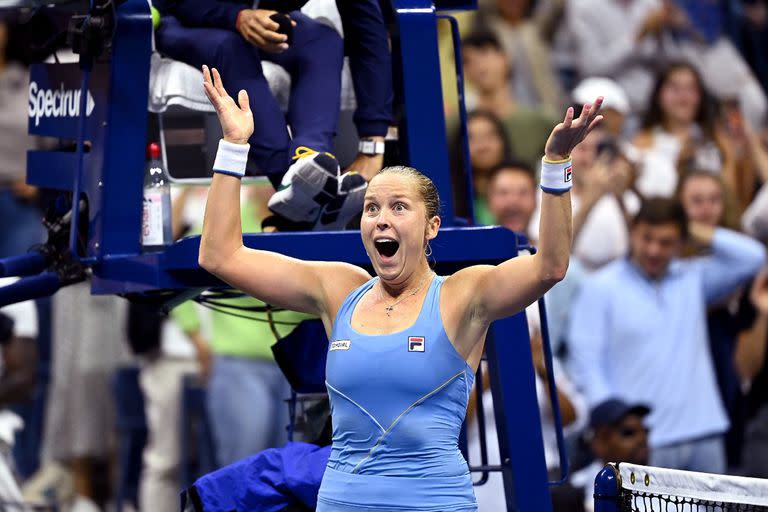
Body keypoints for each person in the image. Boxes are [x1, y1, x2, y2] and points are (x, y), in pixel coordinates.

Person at [198, 65, 603, 511]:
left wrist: (556, 164)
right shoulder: (338, 288)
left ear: (431, 228)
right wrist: (234, 147)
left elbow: (549, 266)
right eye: (371, 207)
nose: (381, 218)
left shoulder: (461, 294)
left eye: (398, 206)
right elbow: (220, 256)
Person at [152, 0, 393, 230]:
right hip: (188, 20)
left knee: (324, 40)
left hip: (263, 18)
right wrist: (237, 17)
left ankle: (307, 160)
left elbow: (367, 28)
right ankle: (290, 183)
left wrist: (373, 142)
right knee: (230, 47)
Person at [568, 198, 766, 474]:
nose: (653, 249)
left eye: (666, 242)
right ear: (631, 232)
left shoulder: (692, 278)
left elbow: (754, 257)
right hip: (642, 443)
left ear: (681, 242)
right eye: (646, 238)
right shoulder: (600, 286)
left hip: (704, 434)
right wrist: (614, 423)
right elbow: (586, 360)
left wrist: (695, 230)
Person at [563, 399, 651, 512]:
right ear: (599, 442)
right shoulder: (575, 490)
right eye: (628, 432)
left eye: (646, 431)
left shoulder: (662, 484)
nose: (642, 439)